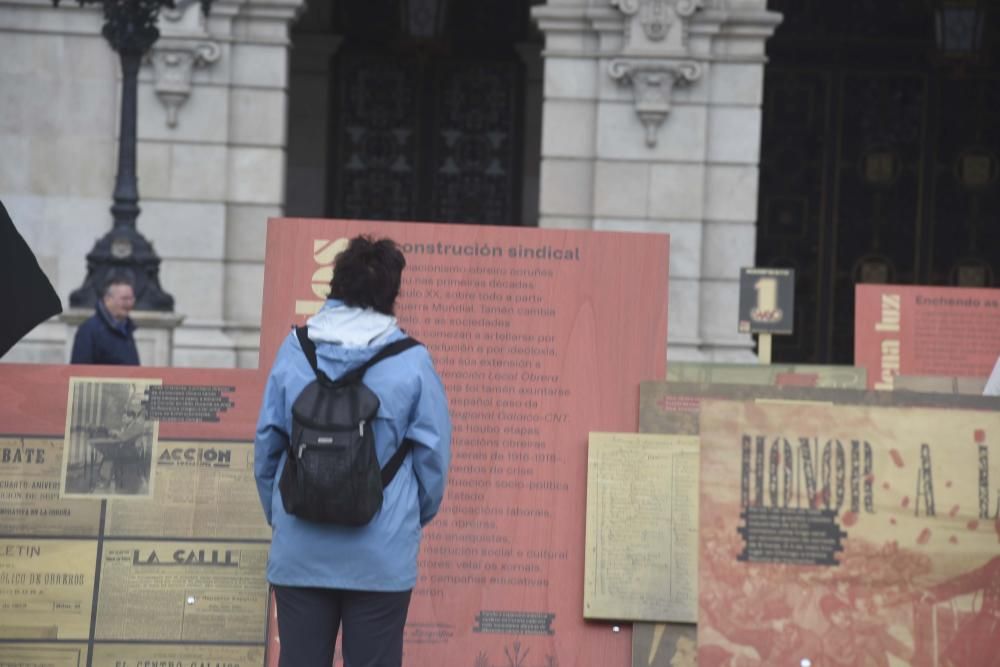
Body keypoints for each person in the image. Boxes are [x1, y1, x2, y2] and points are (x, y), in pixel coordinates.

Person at [254, 235, 451, 667]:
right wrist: (404, 518)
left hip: (300, 548)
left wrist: (282, 514)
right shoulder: (412, 360)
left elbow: (267, 445)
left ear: (334, 285)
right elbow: (433, 462)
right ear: (391, 294)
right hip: (381, 552)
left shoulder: (296, 350)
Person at [70, 277, 139, 365]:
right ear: (107, 300)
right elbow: (79, 370)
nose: (129, 303)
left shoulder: (127, 329)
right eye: (124, 299)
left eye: (131, 299)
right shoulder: (88, 330)